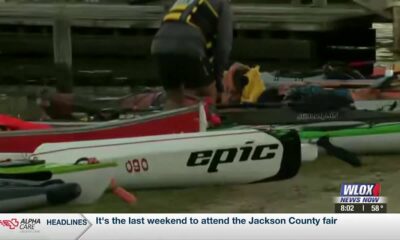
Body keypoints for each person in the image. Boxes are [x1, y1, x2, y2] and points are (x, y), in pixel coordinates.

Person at [151, 0, 233, 109]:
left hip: (159, 45)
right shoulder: (223, 5)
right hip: (189, 46)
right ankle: (206, 122)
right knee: (206, 93)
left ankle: (169, 121)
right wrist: (219, 85)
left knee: (174, 96)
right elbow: (224, 47)